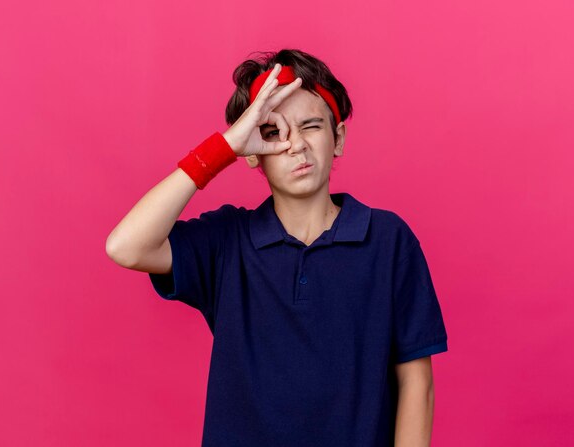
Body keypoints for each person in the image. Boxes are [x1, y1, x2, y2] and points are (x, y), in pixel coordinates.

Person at [106, 49, 449, 447]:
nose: (295, 145)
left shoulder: (387, 239)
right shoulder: (227, 241)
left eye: (312, 126)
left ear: (338, 139)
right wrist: (224, 148)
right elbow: (125, 246)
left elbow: (416, 381)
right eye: (272, 133)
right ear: (252, 151)